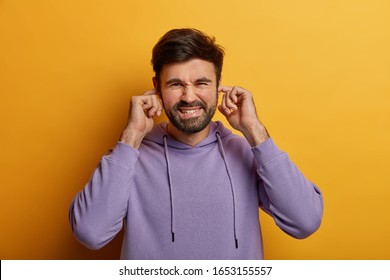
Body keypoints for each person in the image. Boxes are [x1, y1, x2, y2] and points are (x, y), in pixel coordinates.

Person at [69, 28, 324, 260]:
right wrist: (131, 137)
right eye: (175, 84)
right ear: (157, 87)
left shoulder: (246, 152)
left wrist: (255, 131)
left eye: (201, 83)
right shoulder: (129, 156)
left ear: (218, 85)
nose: (189, 97)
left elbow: (304, 221)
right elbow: (90, 233)